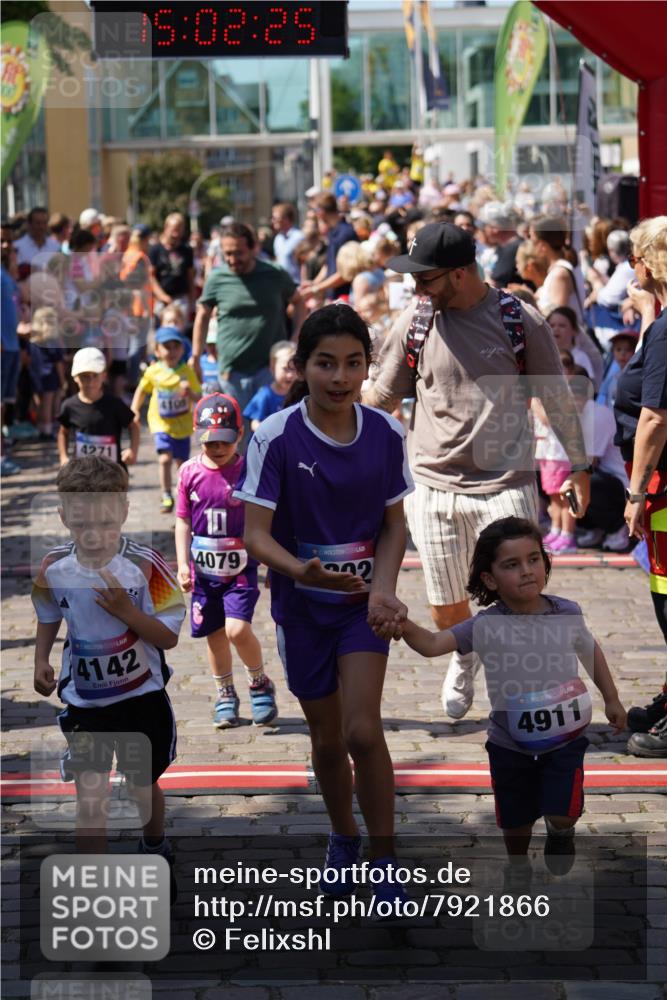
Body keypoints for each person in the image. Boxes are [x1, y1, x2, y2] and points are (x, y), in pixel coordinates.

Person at [364, 222, 592, 721]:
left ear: (462, 273)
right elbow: (381, 398)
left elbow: (554, 395)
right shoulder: (418, 321)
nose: (417, 288)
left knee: (517, 596)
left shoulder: (518, 320)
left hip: (504, 483)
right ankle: (464, 657)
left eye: (426, 279)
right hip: (433, 483)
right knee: (446, 601)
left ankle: (524, 699)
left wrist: (579, 466)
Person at [234, 303, 414, 903]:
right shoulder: (273, 436)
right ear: (301, 367)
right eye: (325, 364)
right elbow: (254, 535)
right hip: (301, 606)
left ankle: (385, 858)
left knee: (365, 731)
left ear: (368, 367)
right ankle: (344, 836)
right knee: (328, 739)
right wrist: (298, 568)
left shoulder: (387, 432)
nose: (340, 377)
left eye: (353, 364)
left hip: (362, 606)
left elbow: (395, 526)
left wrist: (383, 587)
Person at [383, 516, 626, 876]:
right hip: (508, 743)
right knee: (516, 821)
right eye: (512, 565)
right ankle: (517, 865)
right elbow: (433, 644)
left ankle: (562, 831)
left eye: (533, 559)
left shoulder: (567, 612)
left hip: (565, 738)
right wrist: (401, 624)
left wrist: (612, 698)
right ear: (490, 578)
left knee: (562, 808)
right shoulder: (485, 625)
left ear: (546, 561)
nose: (527, 570)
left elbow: (591, 651)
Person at [31, 457, 185, 883]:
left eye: (104, 522)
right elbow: (48, 612)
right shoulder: (53, 567)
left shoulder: (147, 565)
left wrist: (126, 612)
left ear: (123, 511)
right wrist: (42, 659)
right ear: (63, 517)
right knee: (90, 797)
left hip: (141, 698)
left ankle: (155, 846)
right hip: (86, 702)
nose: (93, 535)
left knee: (141, 785)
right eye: (81, 525)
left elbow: (169, 636)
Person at [175, 393, 277, 728]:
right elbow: (183, 520)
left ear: (239, 435)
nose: (218, 449)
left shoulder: (248, 469)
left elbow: (266, 517)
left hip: (240, 571)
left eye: (225, 442)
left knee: (236, 629)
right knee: (215, 636)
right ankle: (225, 694)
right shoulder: (189, 471)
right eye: (210, 442)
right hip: (205, 574)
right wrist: (182, 564)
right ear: (197, 435)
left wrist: (272, 561)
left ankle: (259, 682)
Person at [614, 215, 667, 646]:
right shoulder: (662, 323)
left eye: (634, 258)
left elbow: (655, 416)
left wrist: (636, 494)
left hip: (661, 482)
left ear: (648, 264)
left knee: (666, 593)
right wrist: (650, 313)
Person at [190, 223, 304, 418]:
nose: (233, 259)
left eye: (239, 253)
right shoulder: (217, 278)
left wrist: (296, 336)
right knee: (238, 434)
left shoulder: (274, 274)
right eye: (227, 254)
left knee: (272, 432)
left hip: (270, 369)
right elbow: (202, 315)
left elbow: (299, 301)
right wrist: (195, 356)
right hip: (232, 369)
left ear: (254, 249)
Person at [131, 327, 201, 513]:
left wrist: (190, 393)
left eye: (175, 347)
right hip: (160, 423)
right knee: (164, 459)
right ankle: (166, 493)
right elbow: (142, 390)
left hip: (182, 426)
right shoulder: (153, 371)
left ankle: (183, 497)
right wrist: (134, 410)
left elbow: (199, 397)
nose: (171, 351)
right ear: (157, 351)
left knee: (181, 465)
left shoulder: (187, 372)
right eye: (166, 347)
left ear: (182, 349)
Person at [58, 347, 139, 467]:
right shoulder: (69, 406)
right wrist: (63, 457)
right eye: (84, 376)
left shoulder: (114, 404)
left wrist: (133, 451)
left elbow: (133, 426)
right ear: (75, 377)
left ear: (104, 376)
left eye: (95, 376)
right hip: (82, 472)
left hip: (112, 471)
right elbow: (63, 432)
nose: (90, 382)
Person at [149, 212, 195, 321]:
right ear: (166, 228)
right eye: (174, 230)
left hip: (181, 299)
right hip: (161, 300)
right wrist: (163, 297)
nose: (176, 234)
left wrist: (192, 301)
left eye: (179, 230)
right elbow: (151, 277)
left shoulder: (187, 250)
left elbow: (190, 276)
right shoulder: (155, 250)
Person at [243, 340, 296, 432]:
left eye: (294, 369)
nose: (290, 375)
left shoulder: (299, 394)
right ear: (272, 367)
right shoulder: (265, 395)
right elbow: (254, 424)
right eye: (285, 369)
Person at [271, 203, 303, 284]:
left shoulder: (299, 237)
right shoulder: (278, 239)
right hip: (281, 285)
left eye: (275, 218)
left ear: (286, 219)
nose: (272, 221)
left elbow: (304, 264)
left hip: (296, 285)